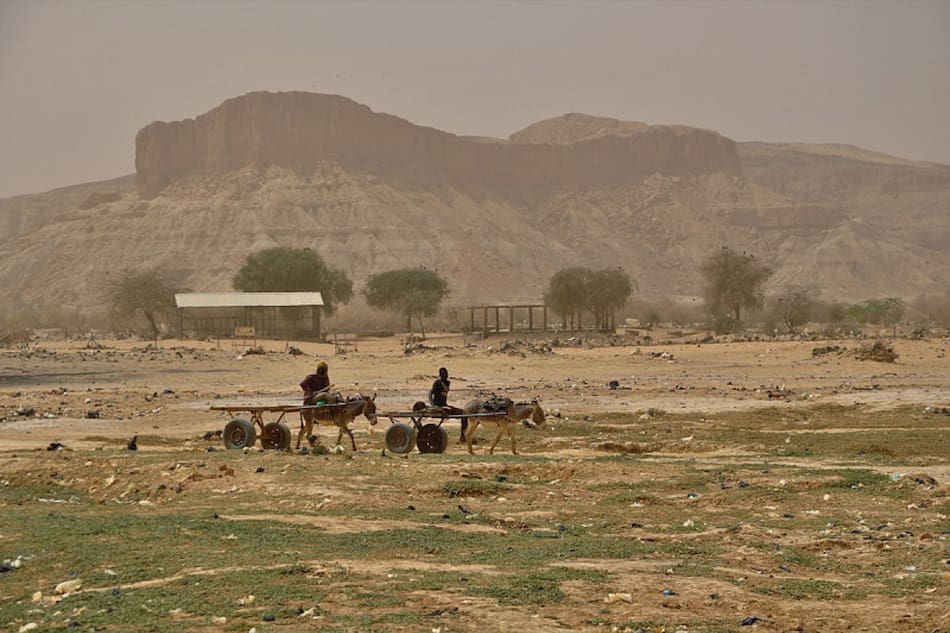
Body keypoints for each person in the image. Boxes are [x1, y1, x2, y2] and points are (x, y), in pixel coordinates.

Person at [429, 367, 467, 443]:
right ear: (440, 375)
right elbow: (430, 394)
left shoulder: (447, 383)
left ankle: (463, 435)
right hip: (439, 406)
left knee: (464, 413)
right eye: (443, 374)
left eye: (445, 374)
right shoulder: (437, 383)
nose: (445, 375)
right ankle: (463, 436)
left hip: (445, 405)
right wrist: (433, 406)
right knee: (463, 414)